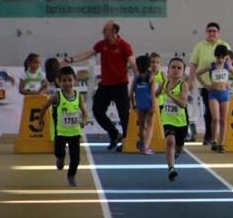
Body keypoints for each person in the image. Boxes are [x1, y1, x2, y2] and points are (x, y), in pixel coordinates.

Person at [64, 20, 137, 151]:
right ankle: (114, 133)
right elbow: (88, 53)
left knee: (124, 115)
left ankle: (126, 141)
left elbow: (132, 62)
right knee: (97, 111)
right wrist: (71, 60)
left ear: (114, 31)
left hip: (120, 85)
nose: (103, 32)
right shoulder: (101, 44)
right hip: (105, 85)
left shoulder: (125, 46)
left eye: (105, 30)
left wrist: (140, 77)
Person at [39, 66, 89, 186]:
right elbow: (44, 107)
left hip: (74, 132)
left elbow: (85, 113)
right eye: (64, 80)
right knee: (59, 153)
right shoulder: (57, 96)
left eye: (69, 80)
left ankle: (71, 176)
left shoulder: (78, 96)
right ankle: (60, 159)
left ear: (74, 80)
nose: (67, 83)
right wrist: (41, 120)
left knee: (76, 158)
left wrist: (83, 121)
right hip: (60, 132)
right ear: (59, 82)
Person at [188, 22, 231, 146]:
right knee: (208, 112)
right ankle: (210, 137)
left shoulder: (225, 45)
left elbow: (231, 65)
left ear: (218, 33)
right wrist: (190, 81)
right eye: (209, 31)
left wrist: (230, 83)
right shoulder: (200, 46)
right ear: (206, 32)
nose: (212, 33)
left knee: (221, 116)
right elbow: (193, 64)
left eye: (214, 31)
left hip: (222, 88)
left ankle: (219, 140)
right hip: (206, 85)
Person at [196, 45, 233, 153]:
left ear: (226, 57)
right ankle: (214, 141)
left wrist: (230, 85)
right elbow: (198, 74)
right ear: (215, 56)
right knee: (216, 118)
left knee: (223, 120)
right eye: (218, 57)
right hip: (213, 94)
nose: (220, 59)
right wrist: (206, 85)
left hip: (225, 94)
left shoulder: (227, 66)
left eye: (222, 57)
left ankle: (222, 143)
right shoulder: (212, 66)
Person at [161, 58, 190, 182]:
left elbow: (183, 104)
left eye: (179, 68)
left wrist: (170, 95)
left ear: (183, 72)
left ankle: (174, 155)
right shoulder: (165, 84)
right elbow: (156, 94)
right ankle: (171, 169)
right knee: (170, 141)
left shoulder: (183, 85)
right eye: (173, 67)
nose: (176, 70)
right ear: (168, 70)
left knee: (178, 148)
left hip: (181, 122)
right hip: (167, 119)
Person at [130, 55, 155, 155]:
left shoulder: (136, 78)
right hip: (149, 104)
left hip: (139, 104)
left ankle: (143, 144)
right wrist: (153, 106)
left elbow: (131, 93)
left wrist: (134, 105)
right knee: (150, 125)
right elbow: (153, 94)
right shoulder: (151, 77)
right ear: (149, 65)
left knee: (142, 126)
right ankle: (146, 146)